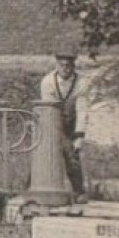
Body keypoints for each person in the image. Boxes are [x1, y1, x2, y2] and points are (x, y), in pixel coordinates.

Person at [39, 52, 90, 203]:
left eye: (69, 66)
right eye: (62, 65)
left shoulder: (82, 82)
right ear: (57, 65)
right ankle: (33, 186)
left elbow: (82, 109)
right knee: (44, 155)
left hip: (71, 122)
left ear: (73, 66)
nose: (65, 69)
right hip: (51, 121)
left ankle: (78, 191)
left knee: (71, 153)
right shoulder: (48, 81)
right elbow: (48, 107)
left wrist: (79, 135)